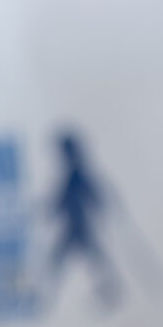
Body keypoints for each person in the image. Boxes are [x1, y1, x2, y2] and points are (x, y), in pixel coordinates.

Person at [46, 130, 122, 310]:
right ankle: (46, 298)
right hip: (73, 228)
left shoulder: (78, 175)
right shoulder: (71, 176)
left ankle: (110, 293)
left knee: (94, 261)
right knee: (58, 261)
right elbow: (60, 201)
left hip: (82, 228)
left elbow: (95, 197)